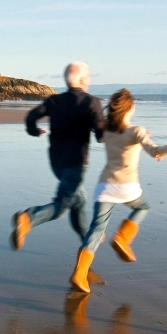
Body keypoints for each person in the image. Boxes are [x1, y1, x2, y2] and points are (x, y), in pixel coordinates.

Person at [70, 88, 167, 293]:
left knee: (96, 230)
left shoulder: (107, 132)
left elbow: (119, 139)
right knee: (142, 208)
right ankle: (122, 238)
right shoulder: (136, 131)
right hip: (127, 187)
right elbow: (156, 151)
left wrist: (138, 138)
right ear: (129, 108)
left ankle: (78, 274)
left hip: (104, 186)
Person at [10, 61, 105, 250]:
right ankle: (28, 218)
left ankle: (88, 238)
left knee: (78, 200)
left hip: (56, 161)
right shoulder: (91, 102)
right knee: (62, 207)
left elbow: (31, 117)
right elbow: (101, 135)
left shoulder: (54, 101)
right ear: (84, 80)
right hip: (76, 163)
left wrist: (34, 131)